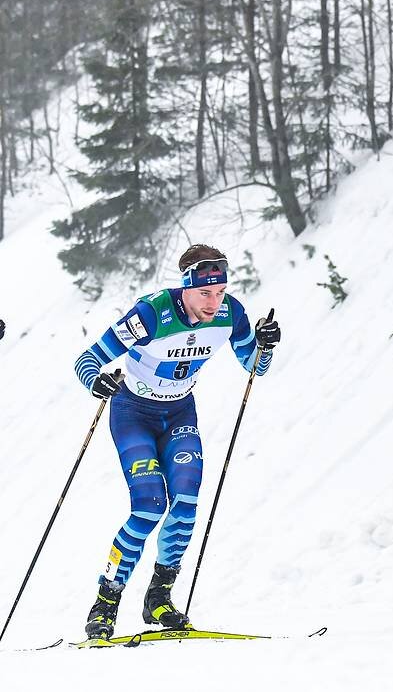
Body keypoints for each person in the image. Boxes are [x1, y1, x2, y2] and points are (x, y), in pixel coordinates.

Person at [73, 244, 281, 638]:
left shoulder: (230, 315)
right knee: (150, 505)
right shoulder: (151, 314)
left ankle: (159, 597)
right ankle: (106, 601)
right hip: (132, 413)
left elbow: (254, 366)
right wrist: (95, 381)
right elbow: (88, 359)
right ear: (184, 287)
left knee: (185, 501)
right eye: (205, 293)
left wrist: (265, 345)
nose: (213, 302)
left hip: (179, 414)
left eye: (219, 292)